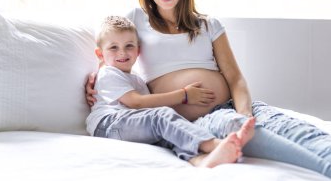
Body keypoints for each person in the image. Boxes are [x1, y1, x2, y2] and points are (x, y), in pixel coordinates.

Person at [86, 0, 331, 179]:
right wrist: (99, 80)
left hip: (234, 104)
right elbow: (113, 45)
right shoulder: (137, 18)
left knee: (300, 132)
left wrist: (245, 114)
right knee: (262, 138)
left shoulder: (208, 24)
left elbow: (235, 79)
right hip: (196, 122)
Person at [86, 15, 256, 167]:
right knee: (161, 116)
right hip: (109, 125)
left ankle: (199, 160)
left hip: (127, 124)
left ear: (138, 51)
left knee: (171, 134)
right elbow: (135, 102)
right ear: (100, 54)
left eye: (129, 46)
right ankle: (213, 144)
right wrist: (183, 95)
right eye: (113, 48)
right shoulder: (109, 73)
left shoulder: (136, 79)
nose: (122, 52)